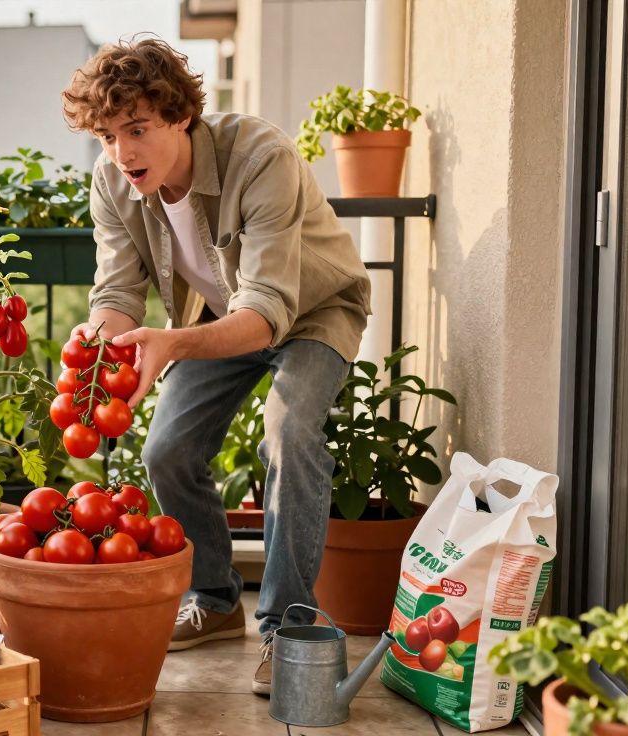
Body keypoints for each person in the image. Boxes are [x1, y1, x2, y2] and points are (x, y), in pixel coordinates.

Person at [62, 36, 371, 696]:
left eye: (137, 129)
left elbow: (267, 308)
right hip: (221, 313)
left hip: (314, 310)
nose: (122, 152)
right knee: (167, 450)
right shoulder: (112, 181)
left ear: (180, 115)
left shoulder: (260, 156)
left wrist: (171, 344)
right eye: (108, 136)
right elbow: (117, 292)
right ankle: (216, 599)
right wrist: (95, 343)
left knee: (290, 432)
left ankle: (287, 627)